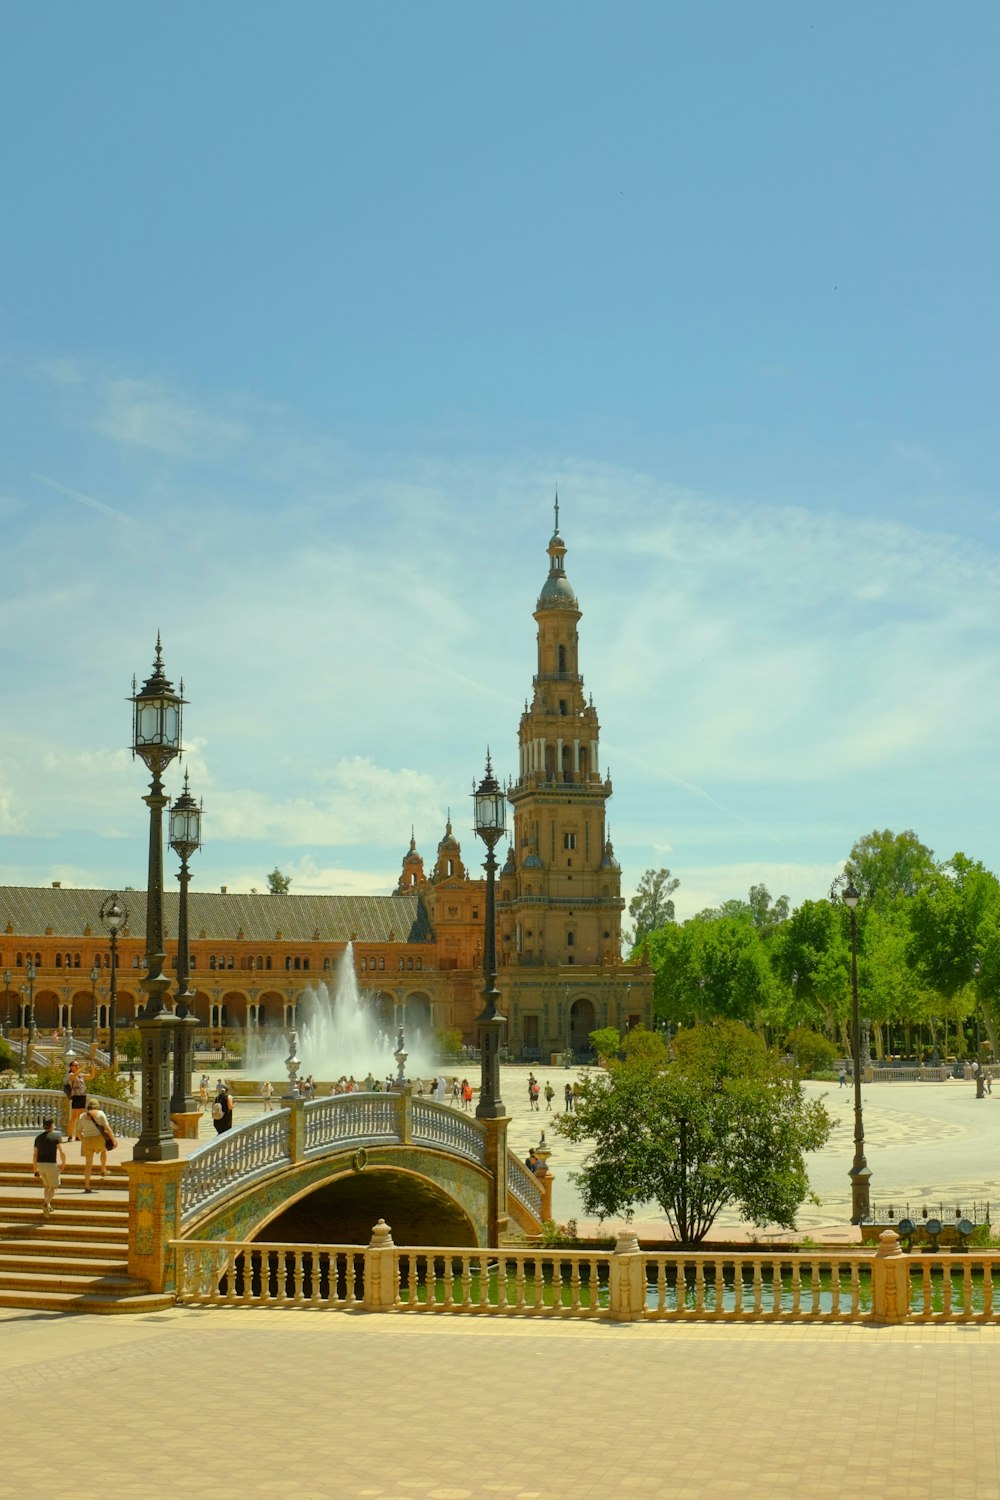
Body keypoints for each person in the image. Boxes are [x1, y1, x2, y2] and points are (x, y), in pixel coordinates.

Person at [32, 1116, 67, 1216]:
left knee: (47, 1186)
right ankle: (46, 1203)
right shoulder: (56, 1137)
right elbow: (62, 1151)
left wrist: (35, 1169)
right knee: (54, 1187)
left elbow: (35, 1155)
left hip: (40, 1164)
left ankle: (49, 1205)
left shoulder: (38, 1138)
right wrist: (64, 1163)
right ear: (51, 1125)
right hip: (51, 1164)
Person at [78, 1098, 115, 1190]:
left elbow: (78, 1131)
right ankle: (103, 1169)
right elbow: (107, 1128)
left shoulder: (82, 1116)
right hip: (98, 1138)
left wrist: (83, 1140)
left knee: (88, 1164)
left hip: (87, 1139)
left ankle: (87, 1186)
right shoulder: (101, 1114)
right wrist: (113, 1140)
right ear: (97, 1106)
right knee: (103, 1151)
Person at [64, 1059, 87, 1140]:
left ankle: (78, 1135)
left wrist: (93, 1069)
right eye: (76, 1065)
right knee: (74, 1117)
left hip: (82, 1096)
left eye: (78, 1065)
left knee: (81, 1117)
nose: (77, 1067)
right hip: (76, 1096)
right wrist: (83, 1068)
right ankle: (70, 1135)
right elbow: (74, 1076)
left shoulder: (81, 1074)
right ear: (71, 1067)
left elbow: (91, 1076)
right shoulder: (71, 1074)